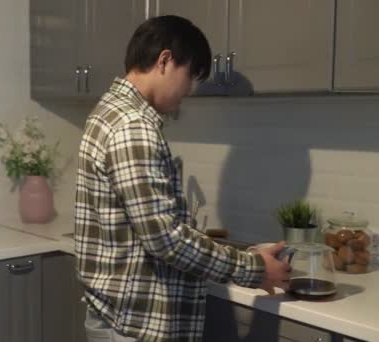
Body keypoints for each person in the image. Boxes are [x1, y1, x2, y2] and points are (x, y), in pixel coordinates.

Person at [74, 15, 291, 342]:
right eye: (190, 76)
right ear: (165, 60)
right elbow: (166, 239)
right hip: (132, 327)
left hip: (116, 318)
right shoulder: (134, 126)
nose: (188, 90)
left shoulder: (109, 110)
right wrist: (254, 269)